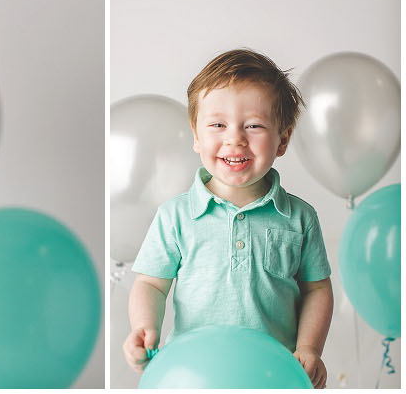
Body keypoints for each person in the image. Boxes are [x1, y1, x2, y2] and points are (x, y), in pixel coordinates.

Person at [124, 49, 332, 388]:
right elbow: (151, 284)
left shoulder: (299, 217)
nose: (234, 137)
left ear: (283, 138)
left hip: (270, 375)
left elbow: (318, 289)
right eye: (218, 124)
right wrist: (144, 328)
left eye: (253, 125)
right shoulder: (176, 216)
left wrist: (309, 347)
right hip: (193, 375)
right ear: (195, 135)